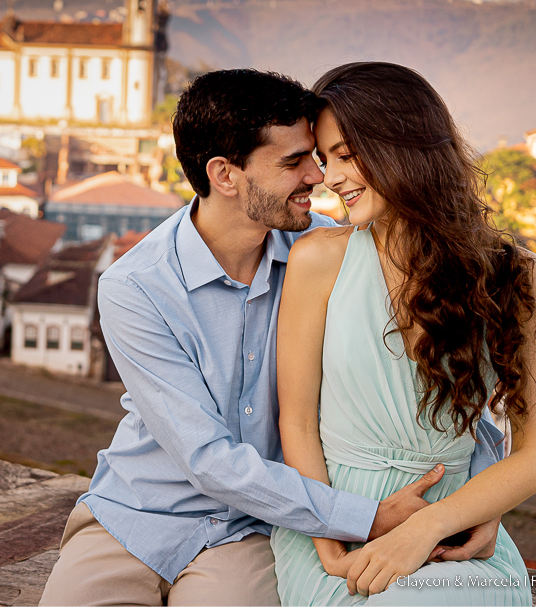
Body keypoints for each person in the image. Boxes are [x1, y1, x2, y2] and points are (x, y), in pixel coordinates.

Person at [40, 69, 505, 607]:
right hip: (138, 514)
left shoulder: (334, 255)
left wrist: (477, 502)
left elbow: (441, 374)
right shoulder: (135, 287)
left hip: (260, 527)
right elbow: (206, 458)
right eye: (293, 163)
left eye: (317, 156)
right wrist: (366, 517)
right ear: (225, 175)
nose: (318, 176)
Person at [272, 62, 536, 605]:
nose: (330, 177)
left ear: (405, 146)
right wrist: (329, 539)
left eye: (346, 156)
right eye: (325, 159)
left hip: (453, 528)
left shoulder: (517, 275)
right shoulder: (317, 261)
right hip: (338, 519)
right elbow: (298, 421)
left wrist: (433, 526)